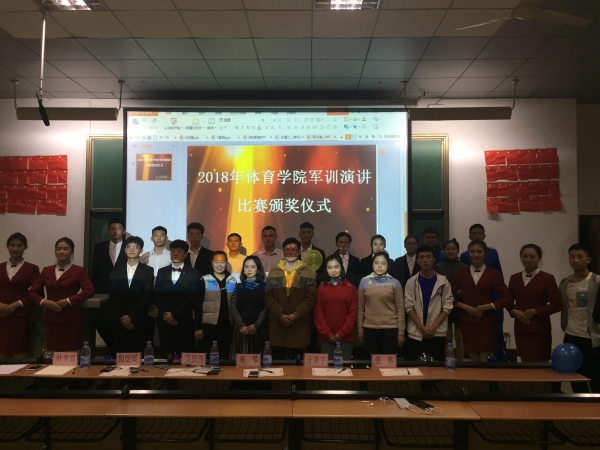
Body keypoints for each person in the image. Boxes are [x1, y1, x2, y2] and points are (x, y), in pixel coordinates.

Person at [28, 238, 95, 352]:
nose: (61, 252)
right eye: (58, 249)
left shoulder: (78, 270)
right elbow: (32, 292)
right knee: (54, 354)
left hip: (71, 317)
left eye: (65, 249)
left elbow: (89, 291)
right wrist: (44, 302)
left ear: (72, 251)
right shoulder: (47, 271)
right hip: (51, 317)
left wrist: (68, 300)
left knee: (71, 353)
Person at [450, 240, 511, 362]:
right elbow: (447, 295)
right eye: (472, 252)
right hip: (468, 322)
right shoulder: (462, 273)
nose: (476, 255)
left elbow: (507, 298)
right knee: (474, 362)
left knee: (486, 361)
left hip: (486, 322)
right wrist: (463, 306)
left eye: (479, 251)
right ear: (468, 253)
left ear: (485, 253)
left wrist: (488, 306)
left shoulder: (493, 273)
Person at [459, 223, 506, 361]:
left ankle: (499, 360)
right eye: (474, 234)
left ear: (484, 235)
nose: (477, 236)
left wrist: (492, 304)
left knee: (496, 332)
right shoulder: (464, 257)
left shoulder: (493, 253)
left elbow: (500, 276)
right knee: (473, 347)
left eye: (480, 233)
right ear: (469, 236)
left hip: (492, 299)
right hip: (471, 303)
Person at [507, 244, 561, 363]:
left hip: (540, 328)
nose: (528, 259)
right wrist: (513, 311)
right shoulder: (514, 278)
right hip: (521, 327)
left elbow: (557, 304)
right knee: (524, 364)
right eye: (525, 256)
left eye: (532, 257)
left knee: (540, 364)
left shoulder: (547, 278)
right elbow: (508, 300)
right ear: (520, 257)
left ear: (539, 258)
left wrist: (536, 311)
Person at [265, 237, 316, 360]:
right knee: (278, 363)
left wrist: (295, 315)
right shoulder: (273, 272)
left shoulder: (308, 272)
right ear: (283, 252)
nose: (290, 252)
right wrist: (281, 314)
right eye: (287, 249)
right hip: (278, 325)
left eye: (293, 249)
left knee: (298, 365)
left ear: (298, 252)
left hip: (299, 325)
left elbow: (310, 298)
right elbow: (268, 296)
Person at [559, 243, 600, 393]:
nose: (576, 260)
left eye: (580, 257)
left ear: (588, 259)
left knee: (595, 378)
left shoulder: (596, 281)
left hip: (593, 337)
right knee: (575, 377)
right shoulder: (564, 283)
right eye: (572, 257)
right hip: (571, 336)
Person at [404, 245, 454, 362]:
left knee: (437, 367)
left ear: (434, 259)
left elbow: (448, 306)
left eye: (428, 257)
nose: (425, 260)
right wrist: (422, 328)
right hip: (416, 332)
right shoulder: (411, 282)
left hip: (436, 331)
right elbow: (408, 306)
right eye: (422, 257)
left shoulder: (443, 281)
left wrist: (434, 327)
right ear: (417, 261)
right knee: (415, 366)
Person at [154, 240, 201, 356]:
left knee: (185, 356)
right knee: (165, 354)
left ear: (185, 254)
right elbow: (158, 295)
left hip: (184, 321)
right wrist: (167, 315)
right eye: (173, 250)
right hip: (165, 321)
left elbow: (192, 297)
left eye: (179, 251)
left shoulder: (194, 273)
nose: (175, 253)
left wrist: (174, 314)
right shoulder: (161, 271)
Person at [108, 236, 154, 353]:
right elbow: (112, 295)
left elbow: (146, 296)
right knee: (120, 353)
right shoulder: (116, 269)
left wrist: (131, 316)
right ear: (124, 249)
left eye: (136, 247)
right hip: (119, 319)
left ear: (141, 250)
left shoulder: (148, 270)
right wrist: (123, 316)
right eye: (129, 246)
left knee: (138, 352)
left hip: (139, 319)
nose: (132, 249)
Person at [90, 217, 127, 354]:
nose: (115, 231)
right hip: (103, 292)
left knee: (122, 323)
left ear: (124, 231)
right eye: (112, 228)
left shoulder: (130, 247)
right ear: (108, 231)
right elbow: (95, 270)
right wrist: (94, 291)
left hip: (124, 292)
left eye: (118, 229)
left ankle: (120, 353)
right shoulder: (99, 247)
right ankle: (114, 351)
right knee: (102, 323)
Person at [0, 233, 39, 359]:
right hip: (1, 316)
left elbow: (37, 293)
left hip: (20, 317)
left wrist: (17, 304)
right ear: (7, 246)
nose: (15, 248)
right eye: (12, 245)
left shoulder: (32, 268)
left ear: (25, 247)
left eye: (19, 245)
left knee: (20, 355)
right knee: (2, 355)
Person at [357, 252, 404, 355]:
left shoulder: (395, 282)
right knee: (373, 361)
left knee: (388, 362)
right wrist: (360, 329)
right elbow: (360, 308)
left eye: (383, 263)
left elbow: (400, 309)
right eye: (376, 263)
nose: (379, 266)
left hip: (390, 329)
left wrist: (401, 332)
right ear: (372, 264)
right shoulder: (364, 281)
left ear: (388, 266)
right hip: (369, 329)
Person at [314, 255, 358, 360]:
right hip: (325, 338)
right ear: (326, 270)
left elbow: (353, 314)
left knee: (344, 367)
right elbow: (318, 315)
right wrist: (328, 334)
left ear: (341, 268)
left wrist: (341, 334)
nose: (333, 270)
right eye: (329, 267)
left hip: (346, 338)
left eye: (336, 267)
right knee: (327, 368)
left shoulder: (351, 289)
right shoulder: (321, 289)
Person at [194, 251, 237, 358]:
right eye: (216, 262)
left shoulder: (232, 281)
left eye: (222, 262)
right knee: (207, 356)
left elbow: (235, 304)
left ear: (226, 263)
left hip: (227, 325)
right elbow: (197, 305)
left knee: (224, 355)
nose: (219, 265)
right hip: (208, 326)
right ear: (212, 263)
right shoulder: (204, 280)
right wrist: (198, 327)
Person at [435, 238, 468, 362]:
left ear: (458, 250)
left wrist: (460, 291)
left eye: (453, 249)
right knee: (447, 337)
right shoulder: (438, 267)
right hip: (443, 304)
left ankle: (461, 363)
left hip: (460, 304)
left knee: (459, 337)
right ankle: (449, 361)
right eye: (448, 249)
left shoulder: (464, 267)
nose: (451, 251)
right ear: (444, 251)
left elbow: (468, 286)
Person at [229, 255, 269, 357]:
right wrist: (241, 325)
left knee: (257, 359)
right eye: (246, 267)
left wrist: (256, 325)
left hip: (258, 328)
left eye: (253, 267)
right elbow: (233, 307)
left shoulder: (264, 287)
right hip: (241, 329)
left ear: (258, 269)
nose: (249, 270)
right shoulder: (238, 287)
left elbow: (266, 307)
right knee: (240, 359)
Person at [139, 225, 172, 344]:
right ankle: (148, 352)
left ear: (166, 238)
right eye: (156, 235)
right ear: (151, 238)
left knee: (165, 326)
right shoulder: (145, 256)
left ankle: (165, 353)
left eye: (162, 235)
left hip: (165, 294)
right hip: (149, 294)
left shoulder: (171, 256)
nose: (158, 238)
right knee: (148, 327)